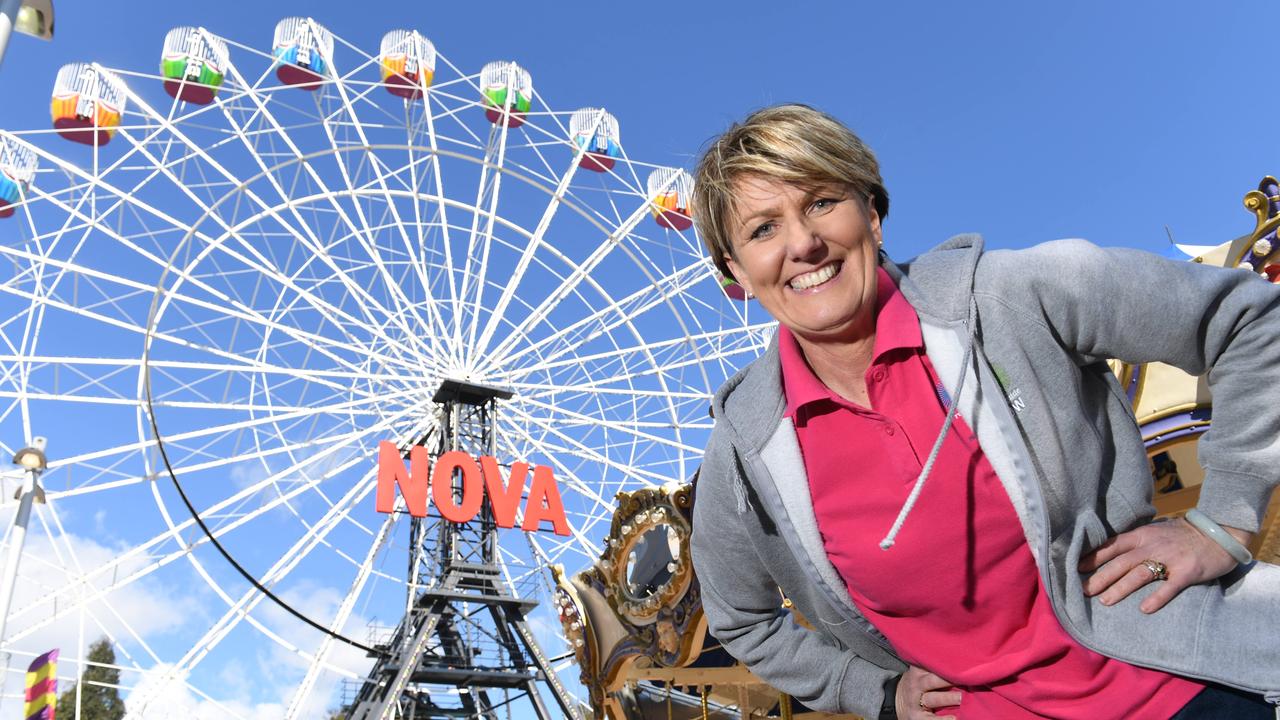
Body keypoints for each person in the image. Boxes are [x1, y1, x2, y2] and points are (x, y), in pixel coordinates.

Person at [687, 104, 1280, 720]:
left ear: (872, 213)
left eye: (821, 202)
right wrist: (873, 693)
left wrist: (1225, 520)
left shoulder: (1005, 297)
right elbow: (742, 620)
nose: (803, 244)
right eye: (762, 230)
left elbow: (1250, 321)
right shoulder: (746, 446)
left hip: (1172, 684)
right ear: (736, 273)